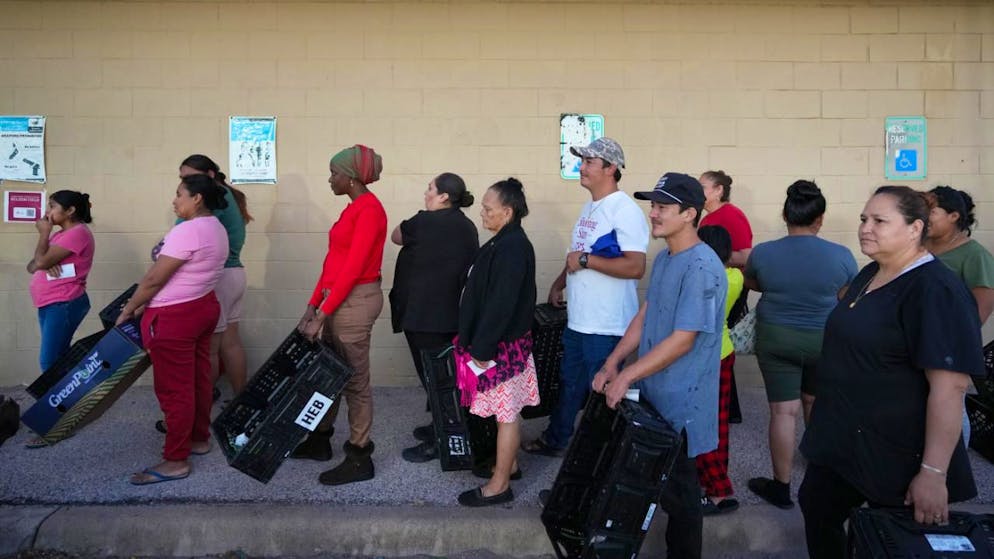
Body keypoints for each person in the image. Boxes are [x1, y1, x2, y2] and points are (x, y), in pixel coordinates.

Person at [798, 186, 984, 558]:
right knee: (817, 505)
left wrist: (933, 473)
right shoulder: (871, 272)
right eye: (864, 219)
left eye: (880, 221)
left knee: (891, 541)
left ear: (915, 229)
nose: (866, 227)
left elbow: (950, 388)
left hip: (896, 452)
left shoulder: (935, 289)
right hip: (844, 440)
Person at [594, 172, 727, 559]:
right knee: (664, 488)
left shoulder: (702, 267)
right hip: (656, 396)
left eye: (663, 207)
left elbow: (683, 339)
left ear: (689, 214)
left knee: (683, 500)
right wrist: (613, 362)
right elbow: (648, 314)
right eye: (653, 206)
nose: (653, 214)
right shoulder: (668, 257)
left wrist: (629, 375)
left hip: (682, 406)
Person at [522, 137, 648, 457]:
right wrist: (560, 282)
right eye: (583, 160)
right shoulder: (590, 207)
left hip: (607, 325)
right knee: (570, 383)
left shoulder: (625, 210)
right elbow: (576, 255)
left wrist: (585, 262)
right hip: (581, 319)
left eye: (590, 162)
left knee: (606, 391)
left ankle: (604, 454)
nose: (582, 167)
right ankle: (557, 439)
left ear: (611, 168)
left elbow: (635, 266)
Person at [744, 181, 857, 510]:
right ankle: (820, 471)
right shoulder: (841, 256)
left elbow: (754, 282)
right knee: (814, 402)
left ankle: (781, 487)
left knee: (783, 411)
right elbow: (847, 294)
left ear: (785, 214)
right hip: (823, 339)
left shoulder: (764, 252)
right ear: (819, 218)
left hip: (776, 337)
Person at [116, 174, 229, 484]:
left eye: (179, 194)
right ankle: (198, 439)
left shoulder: (189, 230)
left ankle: (176, 460)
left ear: (197, 199)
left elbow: (154, 278)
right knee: (197, 380)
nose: (174, 200)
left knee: (174, 389)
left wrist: (129, 309)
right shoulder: (216, 228)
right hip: (202, 308)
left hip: (174, 316)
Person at [291, 144, 386, 486]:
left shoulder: (370, 210)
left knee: (354, 382)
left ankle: (360, 457)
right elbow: (333, 265)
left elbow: (354, 268)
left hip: (355, 301)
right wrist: (312, 306)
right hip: (338, 299)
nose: (330, 179)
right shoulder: (352, 210)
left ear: (350, 177)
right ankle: (319, 441)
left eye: (334, 173)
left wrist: (323, 312)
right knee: (327, 374)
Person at [454, 177, 537, 507]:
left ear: (507, 211)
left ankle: (499, 484)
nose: (482, 214)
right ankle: (510, 466)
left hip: (501, 350)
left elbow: (501, 303)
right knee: (504, 414)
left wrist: (482, 350)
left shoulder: (513, 247)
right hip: (497, 346)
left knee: (506, 416)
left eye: (488, 209)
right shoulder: (504, 241)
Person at [154, 155, 252, 435]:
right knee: (230, 344)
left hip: (219, 278)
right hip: (235, 274)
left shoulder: (209, 200)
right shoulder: (226, 196)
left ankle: (199, 417)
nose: (184, 184)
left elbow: (179, 239)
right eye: (182, 178)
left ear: (208, 176)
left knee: (207, 351)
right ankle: (241, 405)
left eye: (189, 178)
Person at [389, 172, 479, 462]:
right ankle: (439, 427)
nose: (425, 193)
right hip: (451, 317)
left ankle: (442, 441)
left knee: (434, 380)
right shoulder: (468, 227)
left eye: (430, 189)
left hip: (422, 316)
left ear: (444, 197)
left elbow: (396, 236)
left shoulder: (424, 221)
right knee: (445, 379)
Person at [25, 190, 95, 448]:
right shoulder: (62, 235)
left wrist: (43, 236)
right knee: (58, 363)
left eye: (53, 206)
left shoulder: (77, 233)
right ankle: (66, 415)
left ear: (70, 211)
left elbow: (40, 260)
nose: (47, 212)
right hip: (50, 303)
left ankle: (56, 425)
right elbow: (32, 265)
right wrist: (43, 260)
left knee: (49, 363)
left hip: (63, 303)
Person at [925, 185, 994, 446]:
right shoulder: (920, 246)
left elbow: (980, 310)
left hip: (950, 347)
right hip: (919, 342)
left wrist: (952, 342)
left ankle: (955, 467)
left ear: (953, 216)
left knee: (950, 407)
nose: (924, 215)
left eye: (932, 211)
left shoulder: (974, 255)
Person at [694, 225, 743, 515]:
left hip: (703, 357)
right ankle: (713, 482)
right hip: (724, 353)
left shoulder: (705, 278)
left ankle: (719, 490)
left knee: (703, 426)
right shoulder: (735, 277)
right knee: (718, 423)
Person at [699, 170, 752, 423]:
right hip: (710, 284)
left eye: (703, 186)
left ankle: (727, 410)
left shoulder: (731, 215)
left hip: (728, 288)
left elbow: (746, 255)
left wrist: (713, 255)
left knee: (719, 343)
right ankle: (725, 407)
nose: (698, 192)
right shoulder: (707, 218)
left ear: (718, 190)